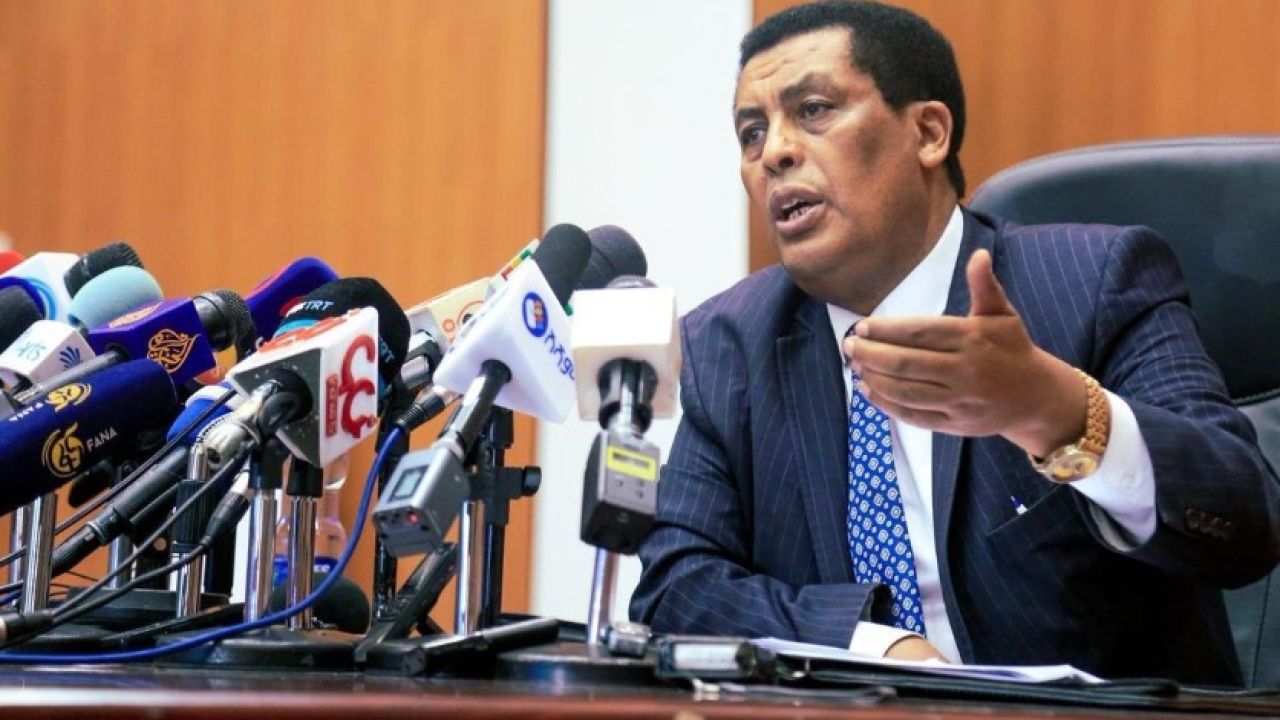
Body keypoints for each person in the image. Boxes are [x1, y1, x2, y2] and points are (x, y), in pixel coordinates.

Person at [630, 0, 1280, 685]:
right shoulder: (728, 346)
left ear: (928, 133)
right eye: (752, 132)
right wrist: (869, 644)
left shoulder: (1094, 283)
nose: (775, 153)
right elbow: (676, 588)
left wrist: (1059, 412)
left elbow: (1246, 522)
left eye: (814, 110)